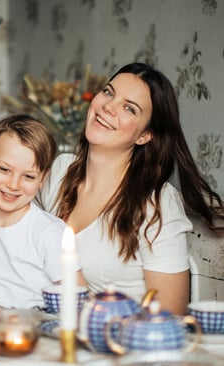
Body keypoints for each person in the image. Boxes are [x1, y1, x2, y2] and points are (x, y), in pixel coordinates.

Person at [36, 62, 224, 315]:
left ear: (145, 135)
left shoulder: (156, 204)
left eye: (129, 108)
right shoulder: (59, 171)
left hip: (119, 348)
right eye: (108, 92)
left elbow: (169, 316)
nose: (108, 107)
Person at [0, 114, 86, 308]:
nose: (13, 185)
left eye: (28, 176)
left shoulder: (50, 233)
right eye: (4, 169)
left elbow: (80, 301)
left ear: (43, 178)